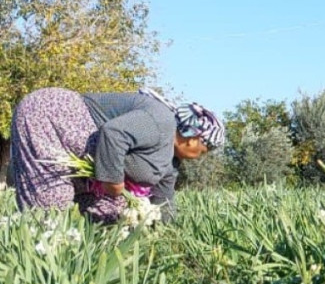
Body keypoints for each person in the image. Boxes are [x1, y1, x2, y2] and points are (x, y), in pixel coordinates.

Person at [8, 86, 224, 223]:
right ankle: (36, 270)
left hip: (83, 155)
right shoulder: (161, 122)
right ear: (194, 138)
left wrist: (169, 234)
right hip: (51, 116)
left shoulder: (170, 163)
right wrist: (113, 180)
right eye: (204, 151)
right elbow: (114, 134)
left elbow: (163, 202)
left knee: (114, 215)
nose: (200, 157)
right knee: (51, 206)